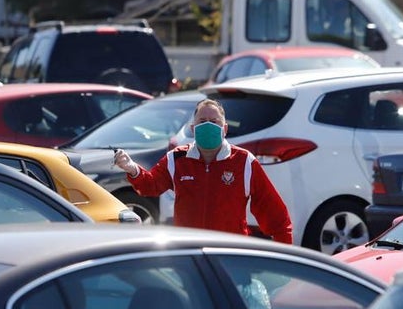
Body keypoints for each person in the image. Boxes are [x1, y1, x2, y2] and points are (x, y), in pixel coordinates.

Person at [113, 99, 293, 243]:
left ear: (225, 129)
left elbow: (276, 214)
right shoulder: (177, 159)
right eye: (202, 121)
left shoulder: (244, 162)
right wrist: (132, 168)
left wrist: (286, 257)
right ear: (193, 128)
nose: (208, 125)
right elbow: (150, 186)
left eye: (214, 122)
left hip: (229, 252)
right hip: (189, 253)